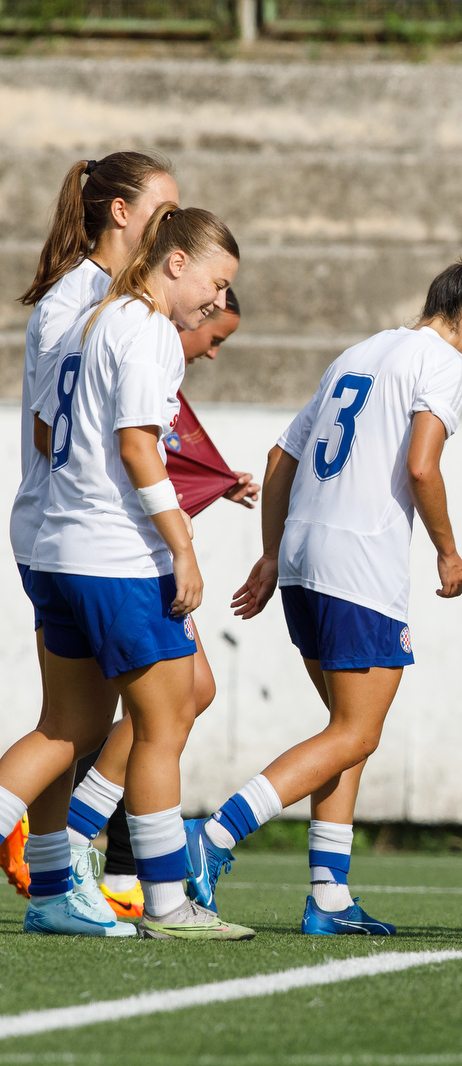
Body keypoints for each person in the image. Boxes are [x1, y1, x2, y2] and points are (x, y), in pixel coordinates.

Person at [201, 241, 462, 936]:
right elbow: (423, 468)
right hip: (359, 564)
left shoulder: (362, 351)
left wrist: (274, 554)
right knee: (356, 730)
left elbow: (282, 457)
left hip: (307, 558)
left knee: (346, 736)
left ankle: (328, 898)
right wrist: (449, 552)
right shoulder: (444, 363)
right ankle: (212, 839)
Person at [10, 204, 247, 940]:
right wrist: (182, 546)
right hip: (115, 557)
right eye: (216, 281)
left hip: (60, 548)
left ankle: (53, 889)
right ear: (176, 262)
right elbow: (142, 449)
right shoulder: (145, 328)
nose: (216, 299)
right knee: (164, 720)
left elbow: (55, 432)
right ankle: (171, 905)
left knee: (71, 724)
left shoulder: (95, 317)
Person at [3, 152, 179, 936]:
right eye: (164, 209)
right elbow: (53, 429)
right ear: (119, 213)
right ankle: (104, 877)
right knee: (76, 726)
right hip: (75, 537)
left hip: (71, 535)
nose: (175, 224)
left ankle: (50, 888)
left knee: (69, 720)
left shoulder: (106, 299)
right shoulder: (76, 302)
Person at [61, 287, 259, 922]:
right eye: (213, 332)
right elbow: (138, 448)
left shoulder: (138, 344)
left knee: (183, 697)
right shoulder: (147, 342)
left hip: (121, 552)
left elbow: (157, 449)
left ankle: (89, 851)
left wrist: (216, 483)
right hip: (129, 557)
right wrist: (182, 545)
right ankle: (76, 848)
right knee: (149, 715)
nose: (212, 348)